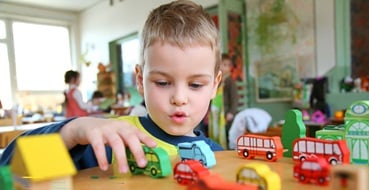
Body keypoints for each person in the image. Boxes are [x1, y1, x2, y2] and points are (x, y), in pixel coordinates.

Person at [0, 0, 223, 174]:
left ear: (214, 85)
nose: (179, 98)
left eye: (195, 85)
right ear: (139, 80)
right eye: (162, 83)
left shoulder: (220, 156)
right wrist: (72, 132)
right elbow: (9, 167)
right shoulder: (109, 141)